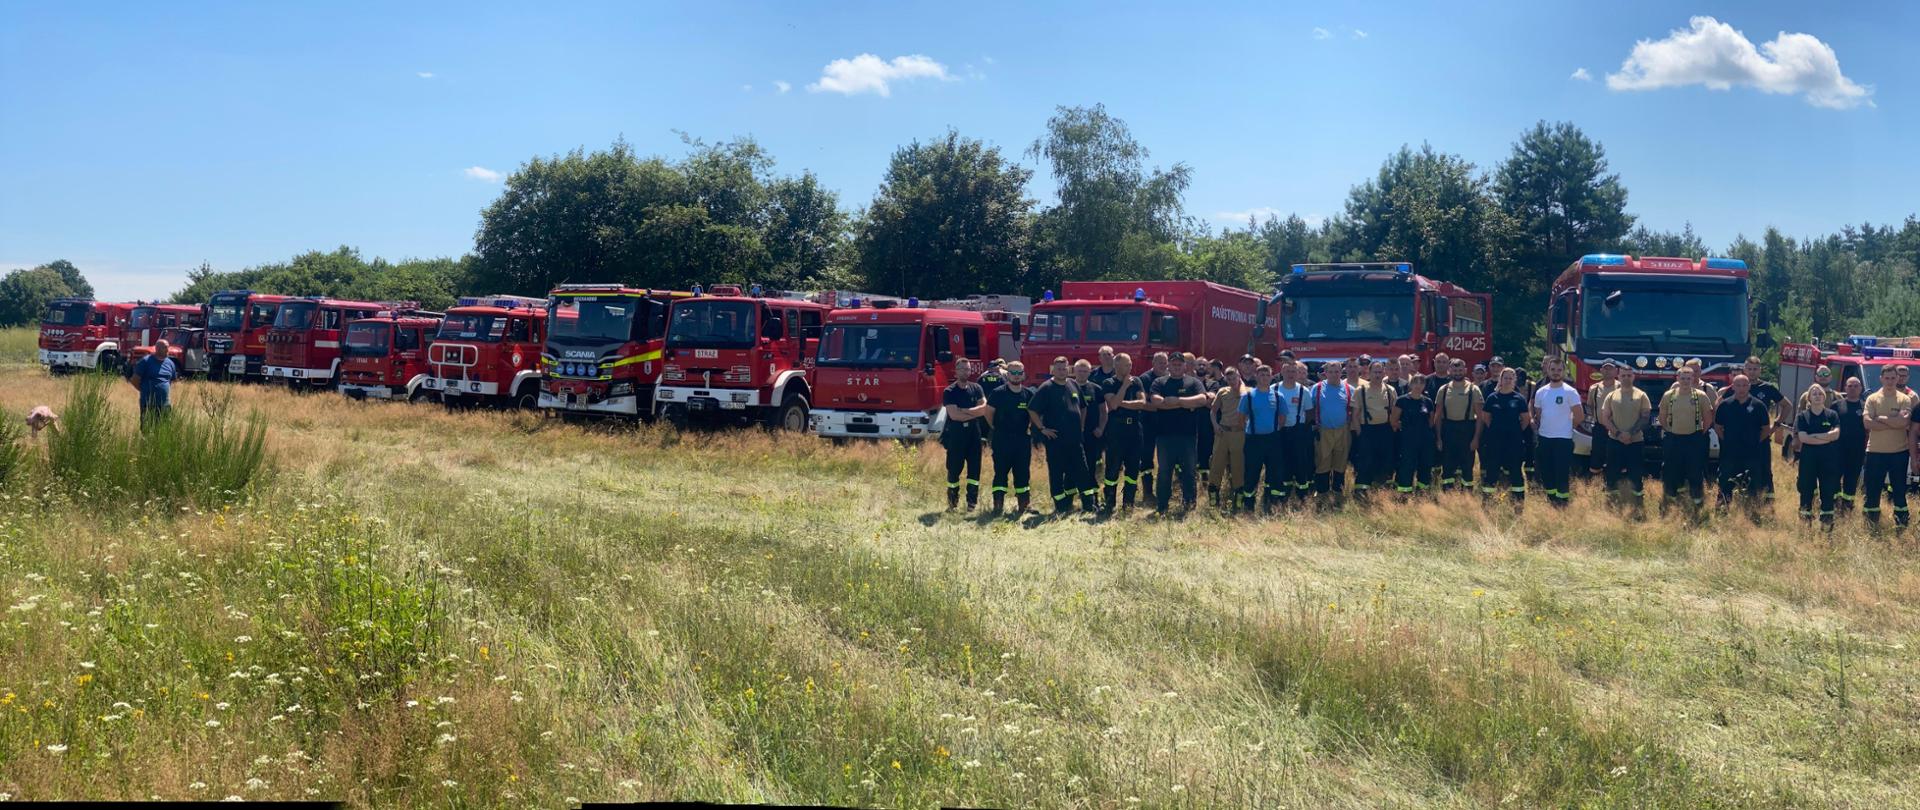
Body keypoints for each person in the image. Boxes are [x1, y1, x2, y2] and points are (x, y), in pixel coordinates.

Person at [1149, 353, 1210, 516]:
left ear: (1185, 366)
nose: (1176, 367)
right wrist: (1187, 404)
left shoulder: (1194, 382)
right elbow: (1156, 402)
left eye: (1179, 364)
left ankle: (1189, 503)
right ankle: (1162, 505)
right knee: (1164, 472)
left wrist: (1176, 400)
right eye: (1173, 364)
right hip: (1165, 436)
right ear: (1168, 366)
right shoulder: (1159, 382)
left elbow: (1202, 399)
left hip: (1188, 436)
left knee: (1189, 471)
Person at [1030, 357, 1091, 516]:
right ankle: (1061, 507)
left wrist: (1082, 426)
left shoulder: (1073, 384)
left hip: (1075, 439)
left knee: (1082, 472)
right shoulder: (1046, 387)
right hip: (1055, 441)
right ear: (1052, 370)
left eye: (1064, 368)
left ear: (1068, 369)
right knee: (1056, 473)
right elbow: (1032, 409)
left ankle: (1088, 506)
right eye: (1058, 368)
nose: (1062, 371)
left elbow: (1083, 407)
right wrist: (1042, 428)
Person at [1861, 364, 1916, 529]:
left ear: (1897, 379)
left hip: (1899, 453)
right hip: (1875, 452)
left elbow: (1904, 422)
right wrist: (1893, 421)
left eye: (1893, 378)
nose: (1891, 381)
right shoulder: (1872, 399)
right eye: (1887, 378)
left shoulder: (1904, 399)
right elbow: (1867, 423)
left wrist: (1881, 418)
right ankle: (1871, 522)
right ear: (1881, 378)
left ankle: (1901, 523)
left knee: (1899, 490)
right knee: (1873, 489)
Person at [1659, 365, 1714, 515]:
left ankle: (1697, 504)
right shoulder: (1669, 395)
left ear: (1693, 379)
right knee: (1671, 470)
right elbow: (1662, 416)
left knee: (1695, 471)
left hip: (1694, 439)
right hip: (1673, 439)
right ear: (1677, 378)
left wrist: (1699, 433)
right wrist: (1668, 430)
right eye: (1682, 378)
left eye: (1688, 378)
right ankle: (1671, 502)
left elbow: (1708, 418)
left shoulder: (1700, 396)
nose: (1685, 381)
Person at [1714, 374, 1772, 515]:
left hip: (1752, 453)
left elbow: (1765, 429)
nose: (1741, 388)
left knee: (1753, 482)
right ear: (1732, 386)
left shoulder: (1758, 406)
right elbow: (1718, 426)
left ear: (1749, 387)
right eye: (1738, 385)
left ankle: (1752, 512)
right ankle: (1722, 510)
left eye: (1744, 385)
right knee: (1725, 480)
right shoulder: (1725, 405)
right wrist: (1726, 441)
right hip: (1730, 452)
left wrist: (1755, 441)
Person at [1531, 358, 1585, 508]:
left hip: (1563, 439)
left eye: (1559, 370)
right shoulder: (1541, 392)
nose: (1556, 373)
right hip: (1545, 438)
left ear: (1564, 371)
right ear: (1548, 370)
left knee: (1561, 473)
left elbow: (1579, 416)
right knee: (1546, 471)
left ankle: (1562, 503)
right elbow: (1538, 413)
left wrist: (1567, 426)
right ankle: (1551, 499)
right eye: (1553, 369)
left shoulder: (1570, 391)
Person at [983, 361, 1035, 515]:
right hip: (1002, 439)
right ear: (1007, 374)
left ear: (1024, 374)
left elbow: (1033, 415)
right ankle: (998, 506)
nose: (1016, 376)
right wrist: (995, 428)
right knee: (1000, 472)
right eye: (1013, 372)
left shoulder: (1028, 394)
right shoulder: (998, 393)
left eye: (1019, 373)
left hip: (1022, 440)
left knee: (1023, 473)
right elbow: (988, 413)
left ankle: (1023, 506)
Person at [1597, 367, 1652, 508]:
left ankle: (1637, 503)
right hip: (1615, 441)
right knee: (1612, 473)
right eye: (1623, 375)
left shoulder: (1641, 395)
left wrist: (1630, 434)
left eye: (1629, 375)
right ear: (1619, 377)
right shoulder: (1611, 396)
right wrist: (1618, 434)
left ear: (1633, 377)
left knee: (1636, 474)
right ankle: (1611, 503)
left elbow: (1645, 417)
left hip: (1636, 442)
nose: (1626, 378)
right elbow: (1605, 418)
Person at [939, 359, 988, 511]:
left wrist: (964, 410)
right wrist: (973, 412)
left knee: (974, 470)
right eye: (962, 369)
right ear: (956, 371)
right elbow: (954, 416)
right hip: (956, 435)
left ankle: (971, 503)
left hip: (974, 434)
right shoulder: (950, 391)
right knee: (954, 469)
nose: (965, 372)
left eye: (967, 369)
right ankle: (952, 502)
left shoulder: (977, 387)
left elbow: (984, 409)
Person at [1101, 353, 1148, 512]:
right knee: (1113, 468)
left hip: (1134, 430)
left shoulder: (1137, 381)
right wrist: (1125, 386)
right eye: (1126, 364)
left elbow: (1142, 403)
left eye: (1130, 364)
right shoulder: (1108, 382)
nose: (1130, 367)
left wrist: (1123, 403)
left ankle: (1128, 503)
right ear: (1117, 366)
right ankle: (1109, 502)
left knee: (1133, 467)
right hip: (1116, 430)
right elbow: (1113, 405)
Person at [1478, 368, 1530, 503]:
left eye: (1510, 378)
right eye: (1505, 377)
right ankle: (1488, 501)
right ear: (1500, 379)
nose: (1507, 380)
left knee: (1515, 471)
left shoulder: (1519, 399)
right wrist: (1496, 430)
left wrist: (1516, 431)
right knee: (1492, 471)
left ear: (1514, 381)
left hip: (1514, 441)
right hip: (1495, 441)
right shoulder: (1492, 398)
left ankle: (1518, 501)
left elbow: (1525, 419)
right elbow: (1486, 417)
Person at [1239, 364, 1286, 513]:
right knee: (1251, 473)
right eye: (1261, 375)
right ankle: (1248, 505)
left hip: (1273, 440)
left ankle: (1274, 504)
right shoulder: (1248, 396)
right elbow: (1241, 419)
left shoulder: (1278, 396)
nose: (1264, 378)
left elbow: (1282, 419)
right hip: (1253, 440)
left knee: (1275, 473)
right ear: (1256, 377)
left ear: (1271, 377)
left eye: (1267, 375)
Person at [1794, 384, 1843, 528]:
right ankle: (1805, 521)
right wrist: (1825, 437)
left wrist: (1815, 436)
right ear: (1808, 398)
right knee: (1806, 489)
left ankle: (1827, 523)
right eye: (1814, 394)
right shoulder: (1802, 416)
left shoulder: (1832, 415)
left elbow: (1836, 435)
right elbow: (1803, 438)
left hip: (1828, 458)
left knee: (1827, 489)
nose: (1817, 396)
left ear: (1824, 397)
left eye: (1820, 394)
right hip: (1808, 458)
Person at [1350, 360, 1397, 499]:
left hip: (1385, 430)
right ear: (1369, 373)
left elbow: (1395, 412)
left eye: (1380, 372)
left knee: (1385, 460)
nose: (1377, 374)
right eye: (1375, 372)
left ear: (1384, 373)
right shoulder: (1361, 390)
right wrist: (1359, 433)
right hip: (1367, 431)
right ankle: (1361, 491)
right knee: (1365, 461)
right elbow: (1355, 415)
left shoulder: (1390, 390)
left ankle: (1382, 489)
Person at [1740, 356, 1788, 493]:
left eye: (1755, 369)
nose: (1752, 372)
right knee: (1742, 466)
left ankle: (1768, 498)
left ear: (1760, 370)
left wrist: (1775, 426)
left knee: (1764, 467)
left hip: (1761, 434)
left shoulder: (1767, 388)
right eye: (1749, 369)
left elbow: (1787, 406)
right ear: (1744, 369)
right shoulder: (1738, 386)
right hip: (1741, 435)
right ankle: (1746, 493)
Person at [1436, 358, 1483, 491]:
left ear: (1465, 370)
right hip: (1448, 430)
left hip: (1467, 430)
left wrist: (1476, 438)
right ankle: (1447, 494)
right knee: (1447, 464)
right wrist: (1438, 438)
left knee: (1467, 465)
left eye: (1460, 369)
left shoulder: (1474, 389)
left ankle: (1467, 495)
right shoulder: (1443, 389)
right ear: (1449, 371)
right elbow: (1438, 416)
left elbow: (1480, 417)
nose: (1457, 372)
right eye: (1454, 370)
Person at [1311, 359, 1355, 502]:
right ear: (1325, 373)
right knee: (1322, 461)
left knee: (1340, 462)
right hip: (1323, 431)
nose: (1334, 374)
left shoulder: (1349, 389)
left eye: (1337, 371)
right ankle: (1322, 492)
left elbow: (1354, 411)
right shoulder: (1316, 388)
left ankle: (1338, 491)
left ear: (1341, 372)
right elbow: (1310, 409)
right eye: (1330, 371)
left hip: (1343, 431)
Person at [1208, 366, 1250, 509]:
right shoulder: (1222, 391)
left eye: (1234, 378)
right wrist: (1215, 425)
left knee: (1238, 466)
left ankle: (1238, 496)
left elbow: (1246, 399)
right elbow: (1213, 412)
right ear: (1225, 379)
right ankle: (1214, 494)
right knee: (1216, 464)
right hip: (1223, 432)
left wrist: (1241, 385)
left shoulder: (1247, 392)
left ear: (1239, 376)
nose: (1232, 381)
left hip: (1239, 433)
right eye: (1229, 378)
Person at [1275, 361, 1315, 502]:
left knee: (1300, 463)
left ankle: (1302, 495)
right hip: (1279, 433)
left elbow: (1310, 413)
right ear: (1282, 373)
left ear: (1297, 373)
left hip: (1298, 432)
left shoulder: (1304, 391)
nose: (1291, 374)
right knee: (1281, 463)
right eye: (1288, 371)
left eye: (1293, 371)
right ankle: (1283, 494)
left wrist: (1302, 427)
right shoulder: (1274, 389)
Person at [1392, 373, 1436, 496]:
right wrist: (1407, 429)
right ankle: (1404, 494)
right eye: (1415, 382)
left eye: (1421, 383)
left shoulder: (1427, 401)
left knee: (1425, 465)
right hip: (1407, 441)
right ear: (1410, 384)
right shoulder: (1402, 400)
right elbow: (1393, 421)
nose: (1418, 385)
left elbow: (1431, 422)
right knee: (1407, 466)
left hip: (1425, 441)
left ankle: (1423, 492)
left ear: (1424, 385)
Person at [1137, 352, 1171, 501]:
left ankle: (1166, 490)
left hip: (1165, 424)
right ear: (1153, 363)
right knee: (1147, 458)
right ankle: (1148, 493)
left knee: (1167, 458)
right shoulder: (1144, 379)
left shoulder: (1169, 378)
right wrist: (1163, 407)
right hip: (1148, 424)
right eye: (1160, 362)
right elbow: (1143, 403)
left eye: (1165, 362)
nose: (1163, 365)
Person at [1073, 359, 1106, 511]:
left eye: (1085, 371)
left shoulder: (1096, 389)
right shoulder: (1066, 387)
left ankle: (1093, 501)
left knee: (1091, 468)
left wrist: (1100, 428)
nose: (1082, 373)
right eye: (1079, 370)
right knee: (1071, 468)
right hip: (1071, 436)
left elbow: (1103, 411)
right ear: (1074, 371)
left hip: (1092, 436)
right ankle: (1068, 502)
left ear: (1089, 372)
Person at [1834, 375, 1867, 511]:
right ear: (1845, 388)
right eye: (1850, 386)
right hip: (1837, 450)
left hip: (1857, 451)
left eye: (1856, 386)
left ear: (1860, 388)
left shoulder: (1866, 406)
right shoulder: (1836, 405)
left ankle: (1847, 507)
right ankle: (1834, 504)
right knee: (1834, 478)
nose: (1853, 388)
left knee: (1851, 480)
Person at [1586, 360, 1621, 477]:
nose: (1607, 371)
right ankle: (1595, 485)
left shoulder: (1621, 387)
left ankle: (1614, 483)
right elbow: (1590, 406)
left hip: (1617, 428)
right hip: (1599, 428)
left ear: (1616, 371)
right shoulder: (1594, 388)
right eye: (1605, 368)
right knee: (1597, 456)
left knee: (1616, 456)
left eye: (1610, 368)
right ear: (1601, 370)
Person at [129, 339, 178, 418]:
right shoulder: (145, 362)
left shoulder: (170, 363)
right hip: (148, 404)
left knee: (164, 428)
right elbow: (134, 380)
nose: (167, 350)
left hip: (164, 404)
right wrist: (146, 390)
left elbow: (171, 381)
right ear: (157, 349)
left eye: (168, 347)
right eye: (165, 348)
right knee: (148, 428)